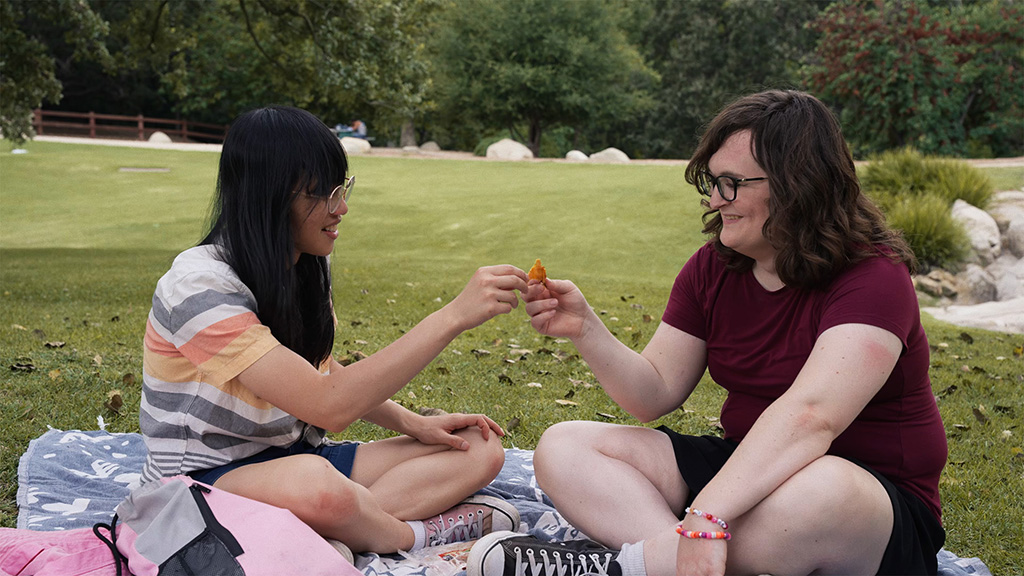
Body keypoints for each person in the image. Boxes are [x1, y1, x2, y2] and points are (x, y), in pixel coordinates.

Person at [468, 90, 947, 576]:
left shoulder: (874, 277)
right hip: (747, 473)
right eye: (712, 181)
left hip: (866, 502)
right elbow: (653, 392)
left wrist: (707, 512)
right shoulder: (714, 267)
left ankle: (626, 567)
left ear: (798, 184)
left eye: (732, 183)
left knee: (824, 488)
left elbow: (811, 417)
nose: (716, 199)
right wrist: (586, 329)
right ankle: (670, 563)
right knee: (565, 446)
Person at [140, 105, 529, 559]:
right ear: (269, 197)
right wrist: (453, 316)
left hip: (294, 461)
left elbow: (315, 370)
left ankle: (332, 534)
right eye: (321, 195)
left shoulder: (304, 263)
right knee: (320, 488)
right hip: (201, 483)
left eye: (342, 189)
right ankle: (412, 536)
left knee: (481, 448)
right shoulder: (198, 287)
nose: (340, 208)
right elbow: (328, 405)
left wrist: (414, 423)